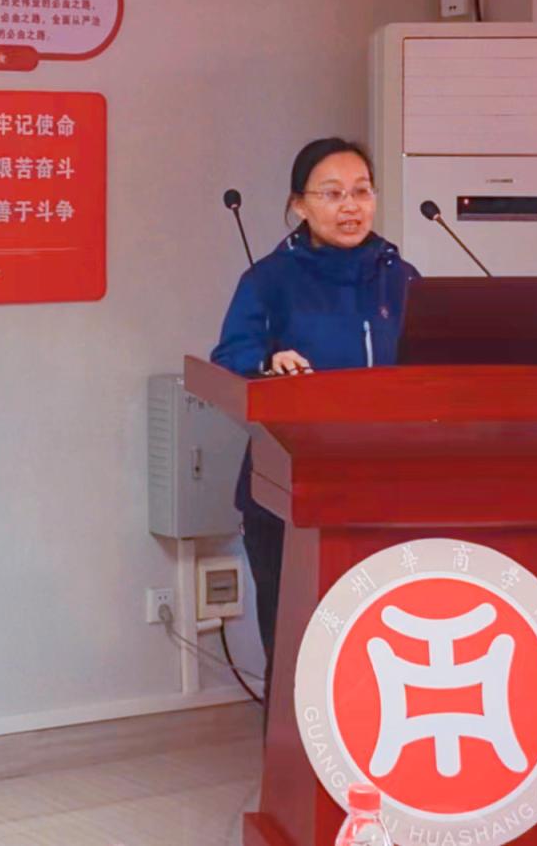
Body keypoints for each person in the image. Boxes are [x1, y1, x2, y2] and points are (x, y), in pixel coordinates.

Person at [210, 136, 419, 688]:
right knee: (300, 644)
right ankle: (295, 743)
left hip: (388, 484)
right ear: (299, 205)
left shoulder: (400, 275)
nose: (351, 206)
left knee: (383, 640)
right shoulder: (269, 279)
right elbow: (228, 357)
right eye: (332, 194)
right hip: (291, 485)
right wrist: (267, 362)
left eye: (361, 192)